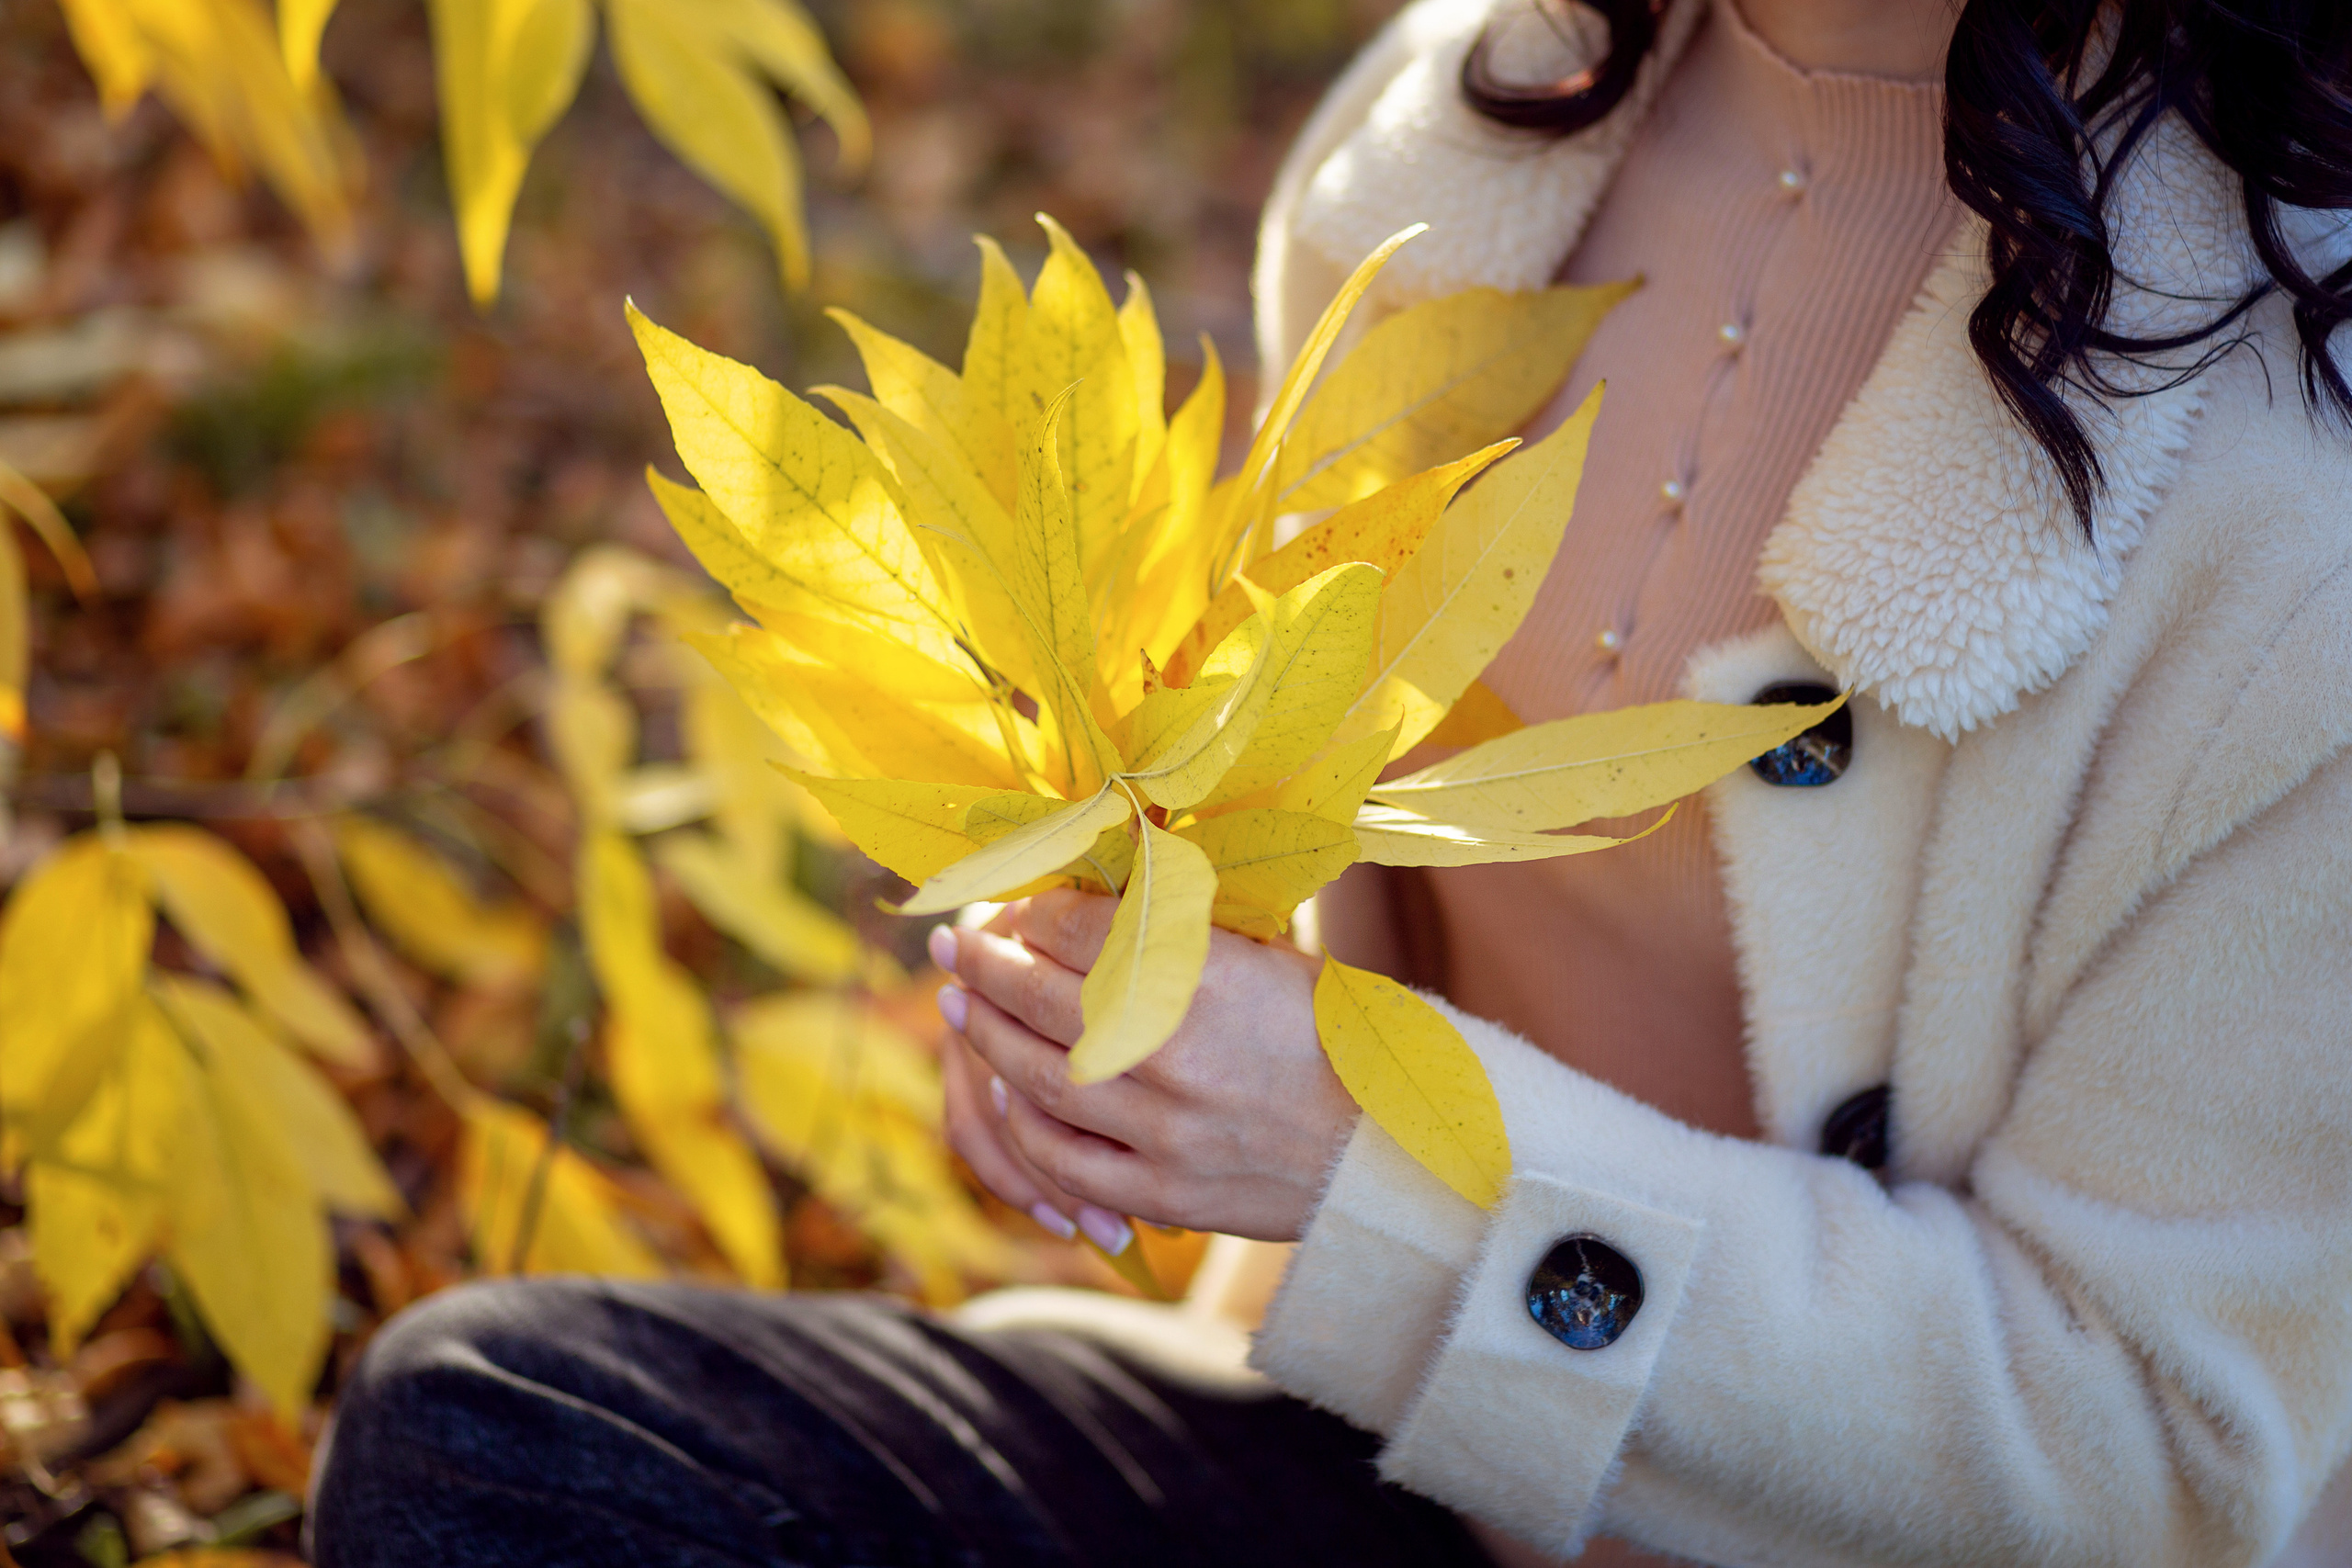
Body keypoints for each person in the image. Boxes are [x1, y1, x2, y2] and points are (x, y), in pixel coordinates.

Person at [310, 1, 2352, 1563]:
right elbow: (1344, 820)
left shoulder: (2285, 468)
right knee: (497, 1429)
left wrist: (1378, 1162)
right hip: (1395, 1475)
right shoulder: (1477, 120)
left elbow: (2152, 1448)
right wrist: (1122, 995)